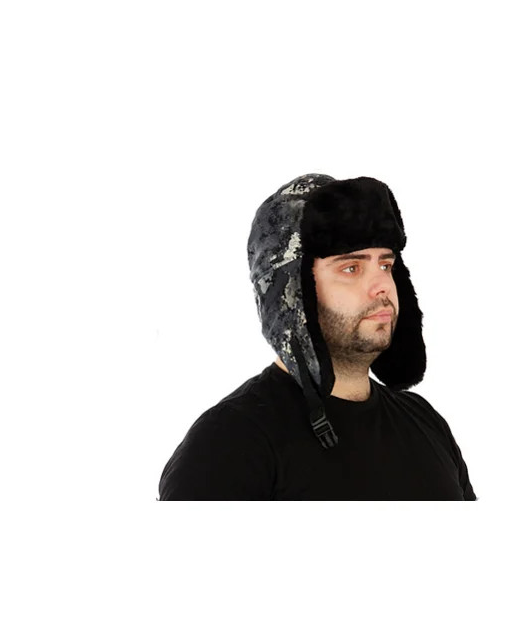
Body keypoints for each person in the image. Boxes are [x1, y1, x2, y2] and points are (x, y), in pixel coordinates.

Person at [157, 173, 476, 500]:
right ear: (294, 293)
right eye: (351, 268)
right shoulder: (228, 442)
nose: (382, 286)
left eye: (385, 265)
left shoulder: (425, 423)